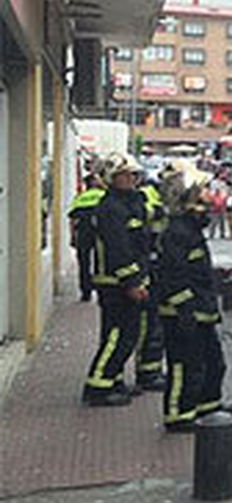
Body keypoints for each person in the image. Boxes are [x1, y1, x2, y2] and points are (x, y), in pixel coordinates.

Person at [156, 160, 232, 432]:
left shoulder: (189, 229)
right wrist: (185, 310)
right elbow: (172, 275)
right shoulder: (177, 232)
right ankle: (178, 415)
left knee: (213, 362)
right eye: (201, 193)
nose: (207, 198)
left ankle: (208, 405)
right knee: (184, 365)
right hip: (183, 313)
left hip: (200, 309)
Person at [82, 153, 151, 407]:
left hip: (122, 280)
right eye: (126, 174)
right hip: (115, 283)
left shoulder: (125, 204)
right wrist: (132, 282)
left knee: (117, 334)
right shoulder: (111, 209)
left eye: (134, 174)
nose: (132, 178)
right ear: (113, 178)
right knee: (120, 335)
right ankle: (98, 386)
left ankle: (113, 380)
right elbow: (118, 250)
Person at [132, 175, 169, 391]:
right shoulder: (146, 196)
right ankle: (147, 373)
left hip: (153, 267)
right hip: (147, 269)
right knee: (149, 326)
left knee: (154, 326)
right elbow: (144, 223)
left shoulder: (154, 196)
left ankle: (151, 370)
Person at [68, 165, 107, 303]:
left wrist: (72, 236)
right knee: (100, 263)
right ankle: (101, 290)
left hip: (84, 233)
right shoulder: (104, 196)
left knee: (84, 262)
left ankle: (86, 292)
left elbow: (72, 217)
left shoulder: (81, 197)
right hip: (100, 233)